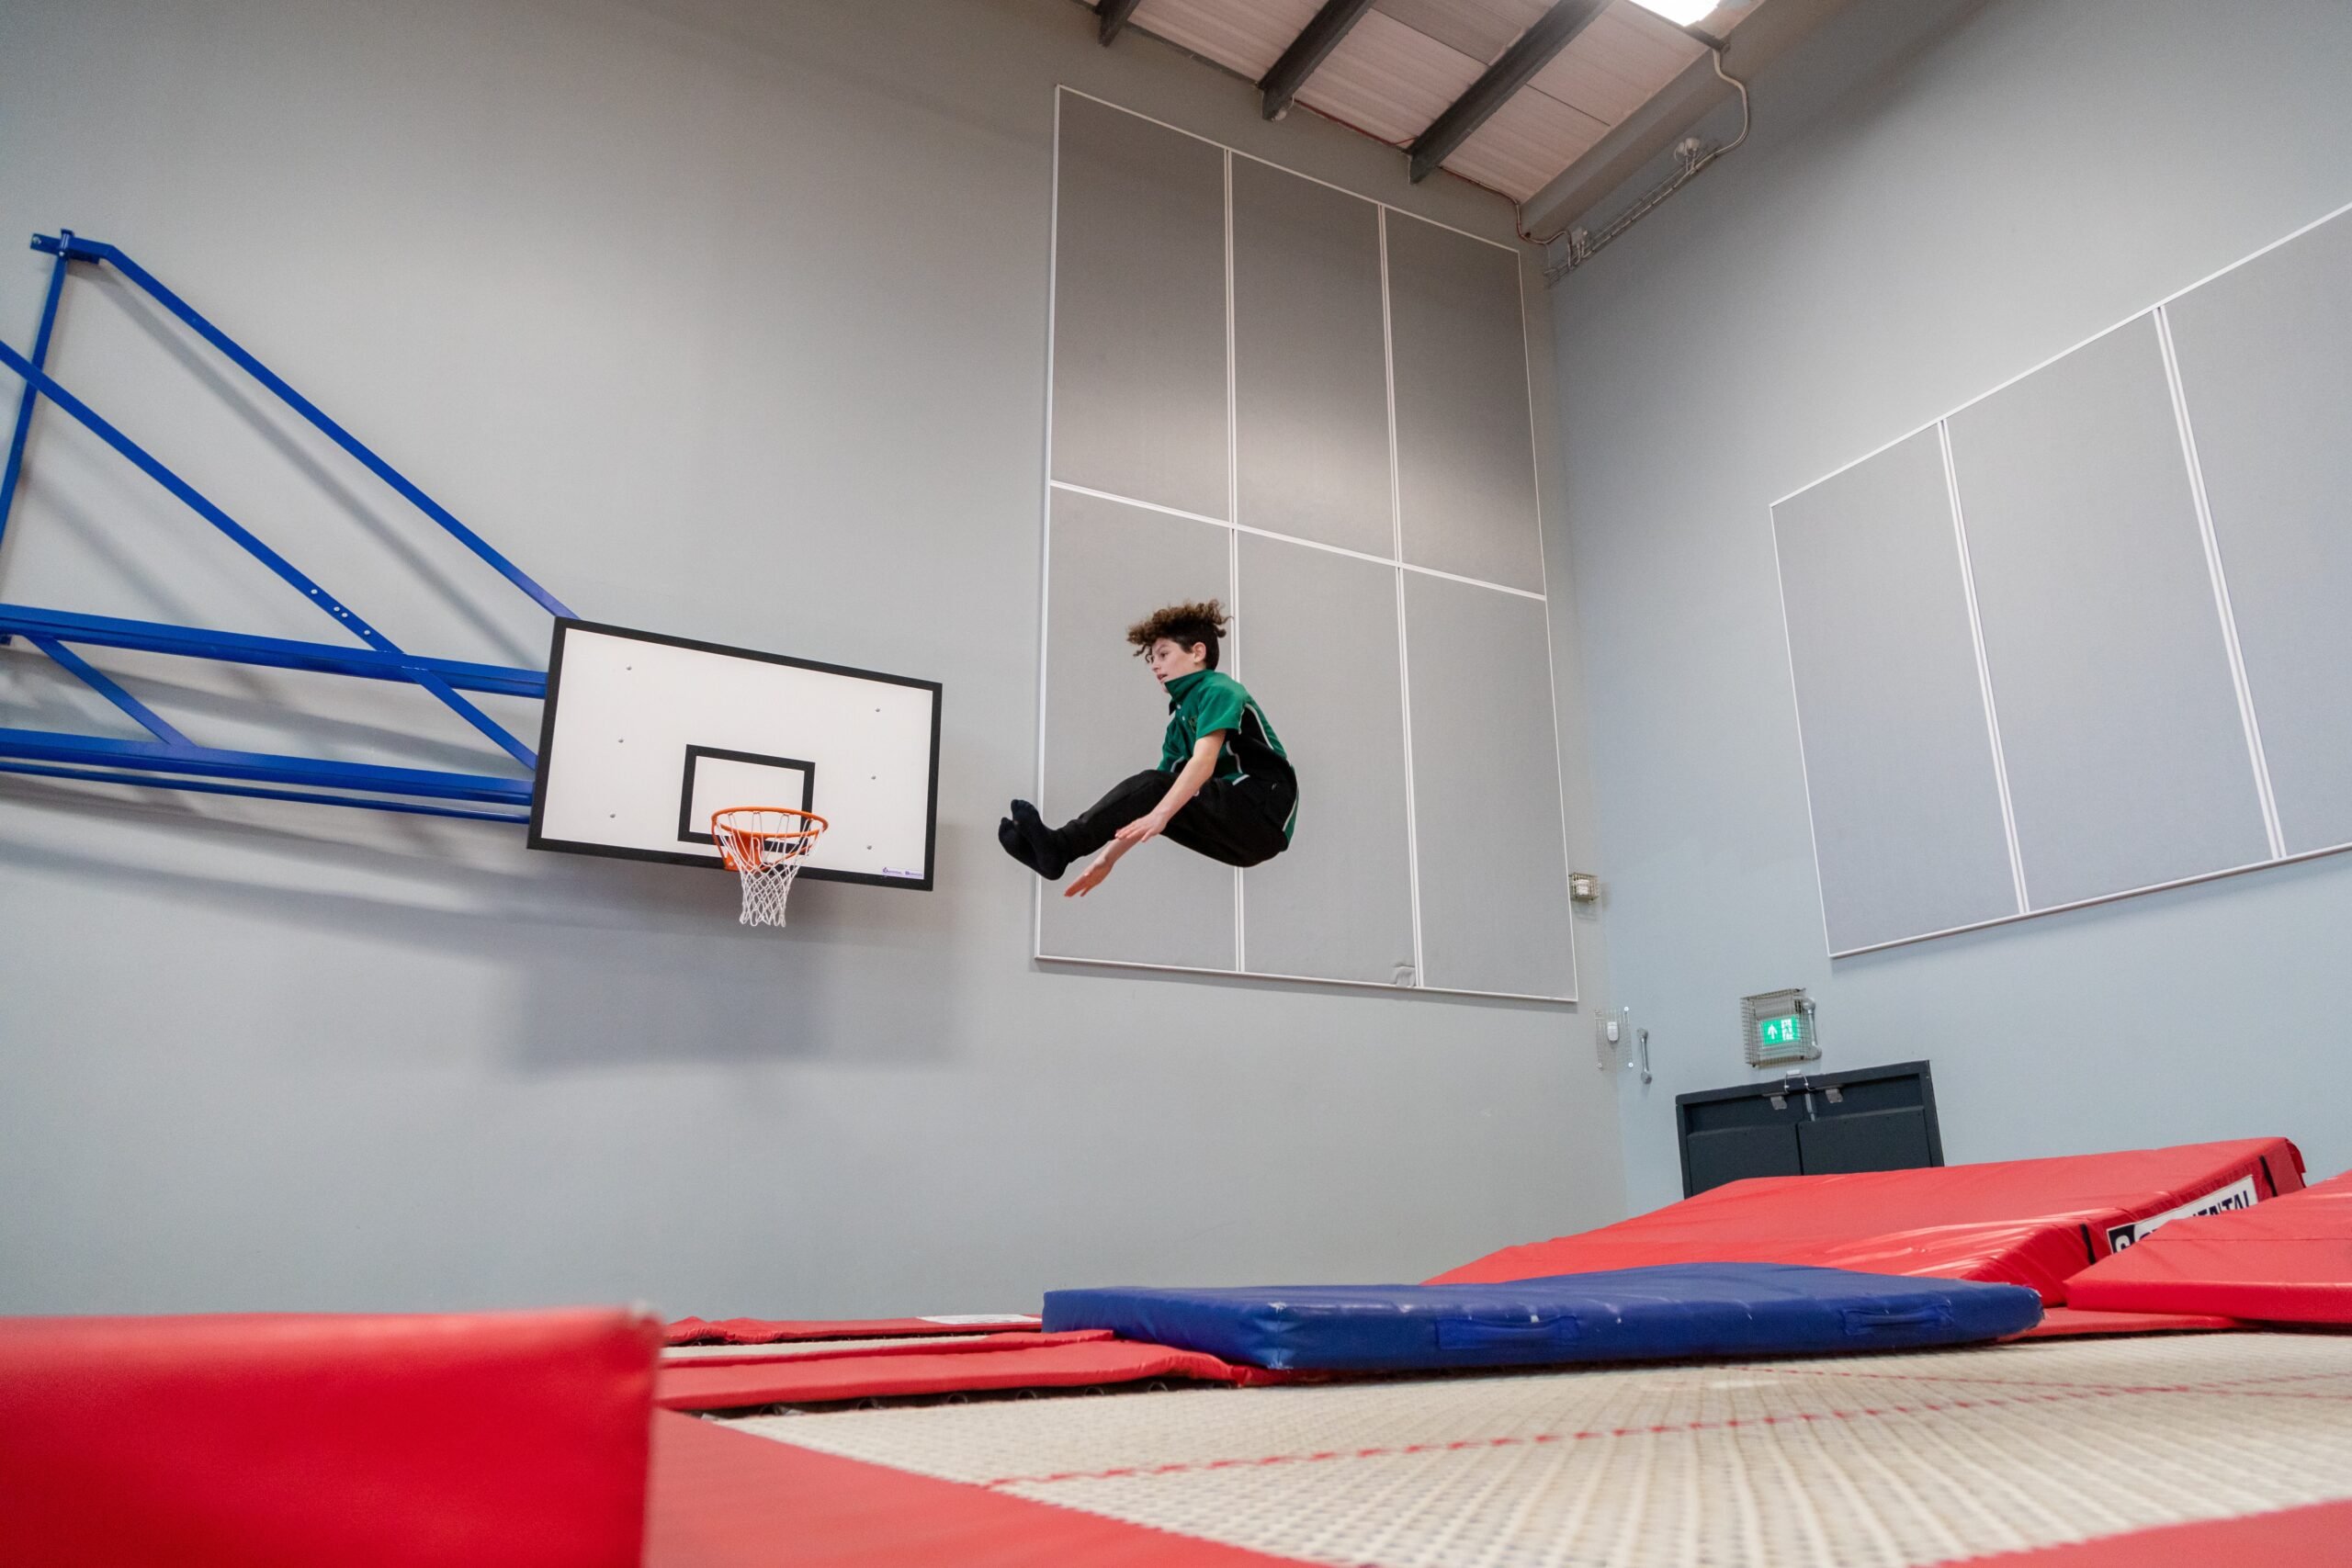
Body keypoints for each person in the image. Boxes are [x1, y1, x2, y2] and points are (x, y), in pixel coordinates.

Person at [1001, 599, 1295, 897]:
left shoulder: (1219, 689)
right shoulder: (1177, 725)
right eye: (1151, 659)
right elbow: (1143, 800)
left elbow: (1203, 761)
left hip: (1264, 809)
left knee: (1158, 792)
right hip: (1243, 844)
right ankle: (1058, 852)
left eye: (1163, 654)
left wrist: (1160, 814)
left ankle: (1060, 846)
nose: (1155, 665)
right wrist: (1107, 859)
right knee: (1156, 793)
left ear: (1197, 652)